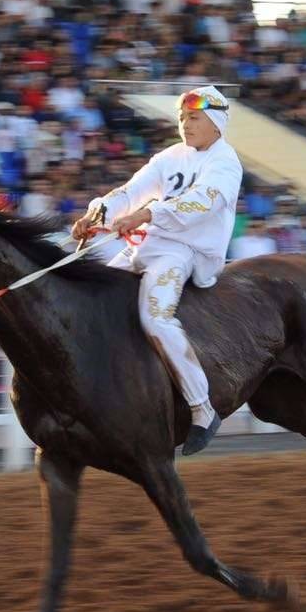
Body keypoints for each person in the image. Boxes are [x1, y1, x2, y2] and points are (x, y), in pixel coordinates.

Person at [71, 85, 242, 455]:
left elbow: (204, 202)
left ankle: (202, 407)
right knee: (92, 297)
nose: (185, 124)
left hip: (185, 251)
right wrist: (95, 214)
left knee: (155, 318)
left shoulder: (225, 161)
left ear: (215, 122)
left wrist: (146, 214)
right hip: (149, 245)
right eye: (182, 118)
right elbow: (130, 191)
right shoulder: (170, 156)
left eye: (194, 118)